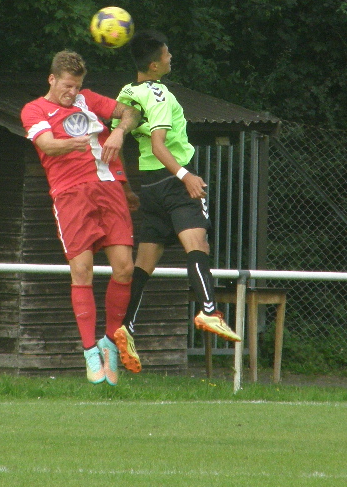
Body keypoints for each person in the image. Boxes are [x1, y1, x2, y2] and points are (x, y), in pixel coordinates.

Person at [114, 30, 241, 375]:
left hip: (151, 185)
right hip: (173, 181)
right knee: (197, 243)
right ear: (154, 64)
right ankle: (209, 310)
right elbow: (158, 145)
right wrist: (185, 175)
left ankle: (126, 325)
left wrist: (127, 188)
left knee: (145, 262)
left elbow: (115, 141)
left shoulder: (127, 93)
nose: (172, 58)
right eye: (168, 55)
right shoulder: (158, 94)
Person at [21, 50, 142, 385]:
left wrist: (118, 132)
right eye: (67, 86)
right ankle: (89, 350)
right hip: (70, 194)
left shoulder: (88, 100)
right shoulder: (35, 109)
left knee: (125, 268)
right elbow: (47, 145)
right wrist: (88, 141)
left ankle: (108, 343)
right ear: (52, 79)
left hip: (108, 188)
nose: (72, 93)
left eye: (77, 87)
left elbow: (131, 112)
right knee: (82, 270)